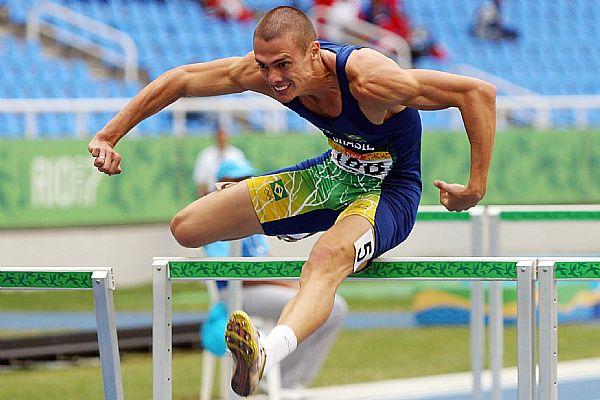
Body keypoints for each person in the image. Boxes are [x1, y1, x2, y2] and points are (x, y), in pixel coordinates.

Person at [87, 6, 496, 397]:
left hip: (388, 192)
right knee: (188, 228)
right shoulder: (265, 72)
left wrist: (475, 187)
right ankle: (303, 217)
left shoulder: (370, 80)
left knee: (326, 259)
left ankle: (267, 352)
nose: (274, 79)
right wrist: (109, 135)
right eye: (264, 67)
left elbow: (476, 92)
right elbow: (181, 79)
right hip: (331, 175)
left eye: (283, 65)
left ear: (314, 52)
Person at [202, 158, 348, 390]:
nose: (244, 184)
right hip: (236, 294)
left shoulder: (251, 218)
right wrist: (290, 286)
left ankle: (282, 378)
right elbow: (238, 274)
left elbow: (266, 263)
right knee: (322, 306)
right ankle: (282, 382)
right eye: (238, 180)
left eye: (246, 179)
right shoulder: (213, 220)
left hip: (260, 291)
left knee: (332, 307)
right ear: (222, 184)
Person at [193, 124, 245, 198]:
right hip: (210, 194)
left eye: (224, 134)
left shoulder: (236, 154)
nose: (222, 137)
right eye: (219, 134)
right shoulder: (205, 155)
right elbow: (200, 181)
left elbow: (242, 178)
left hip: (232, 194)